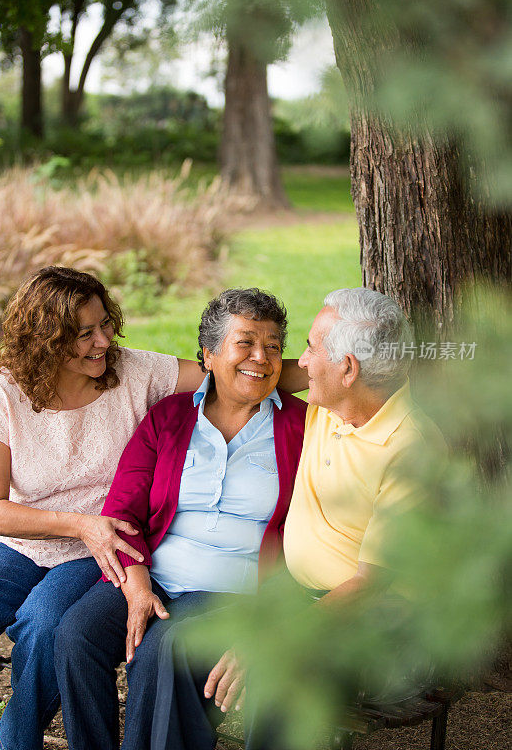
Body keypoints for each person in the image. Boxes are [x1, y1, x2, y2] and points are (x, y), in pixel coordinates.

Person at [150, 286, 446, 750]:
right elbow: (252, 376)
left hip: (380, 627)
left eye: (310, 347)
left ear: (347, 368)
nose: (300, 363)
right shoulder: (330, 412)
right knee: (181, 646)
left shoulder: (411, 450)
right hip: (299, 597)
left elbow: (373, 584)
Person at [0, 264, 220, 750]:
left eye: (105, 324)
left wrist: (323, 371)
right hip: (20, 537)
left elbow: (229, 373)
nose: (104, 341)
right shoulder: (2, 393)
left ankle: (15, 740)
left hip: (104, 544)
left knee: (45, 624)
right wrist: (76, 524)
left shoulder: (134, 371)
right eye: (84, 333)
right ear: (45, 339)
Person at [54, 287, 306, 750]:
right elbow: (124, 510)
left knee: (153, 655)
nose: (261, 357)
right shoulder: (168, 417)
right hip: (153, 571)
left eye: (273, 346)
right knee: (74, 635)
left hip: (231, 584)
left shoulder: (301, 425)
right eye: (245, 342)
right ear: (208, 355)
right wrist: (138, 586)